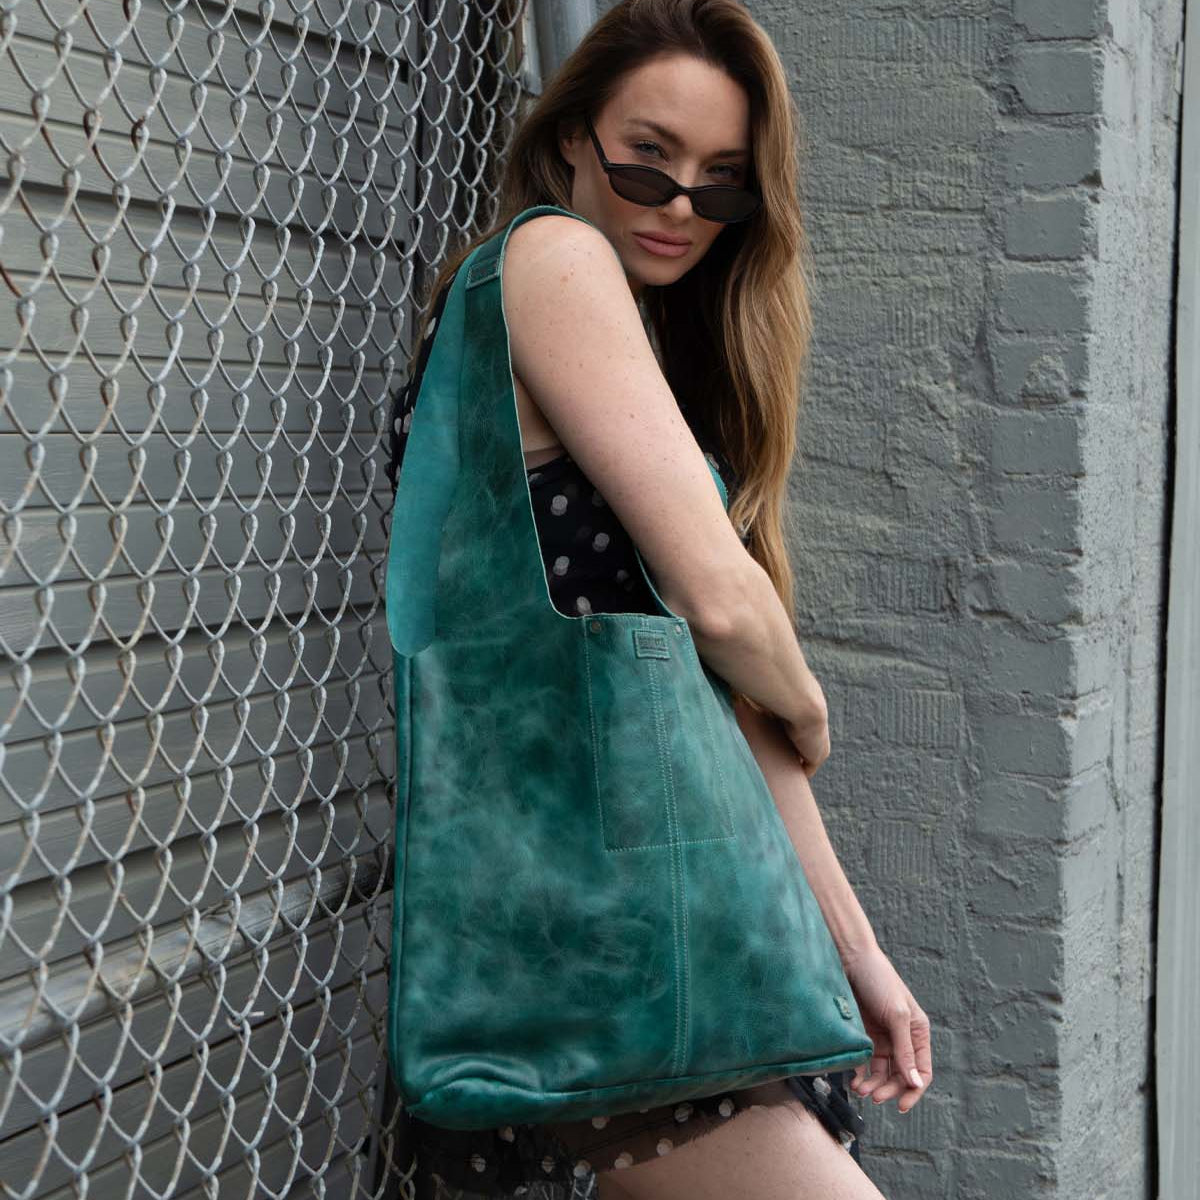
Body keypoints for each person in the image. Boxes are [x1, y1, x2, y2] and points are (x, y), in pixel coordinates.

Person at [385, 1, 932, 1196]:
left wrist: (858, 954)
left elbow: (713, 689)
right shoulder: (552, 257)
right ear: (573, 133)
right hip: (607, 940)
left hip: (653, 932)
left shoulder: (639, 334)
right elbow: (724, 613)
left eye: (721, 183)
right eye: (649, 156)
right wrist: (808, 693)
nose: (680, 204)